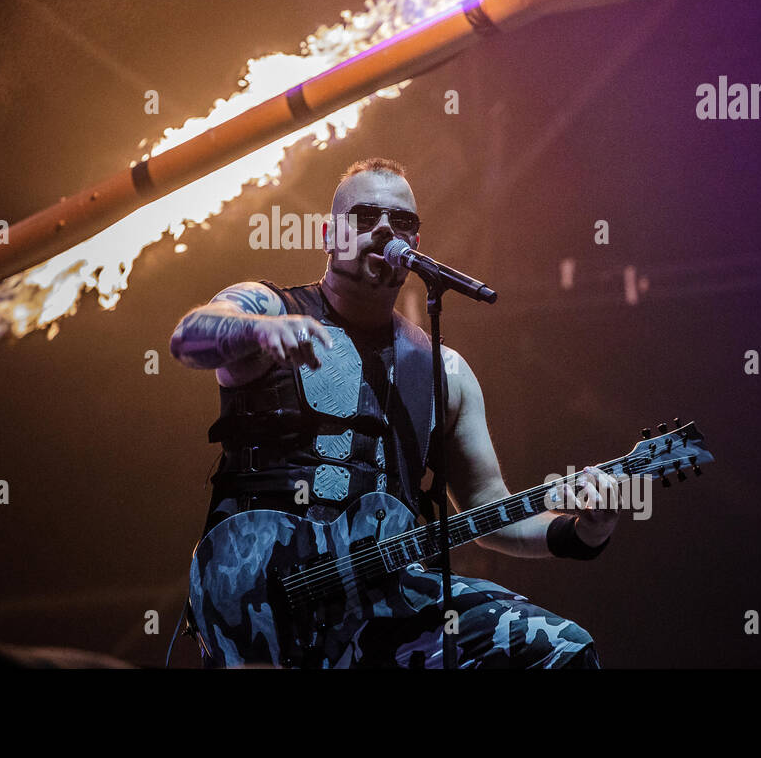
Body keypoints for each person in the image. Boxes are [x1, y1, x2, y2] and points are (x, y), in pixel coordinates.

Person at [170, 158, 618, 668]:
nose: (385, 229)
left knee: (559, 649)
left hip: (386, 610)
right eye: (365, 217)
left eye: (401, 222)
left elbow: (490, 511)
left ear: (416, 247)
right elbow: (190, 337)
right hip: (262, 602)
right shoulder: (270, 306)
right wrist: (255, 333)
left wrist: (584, 531)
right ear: (327, 235)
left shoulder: (443, 371)